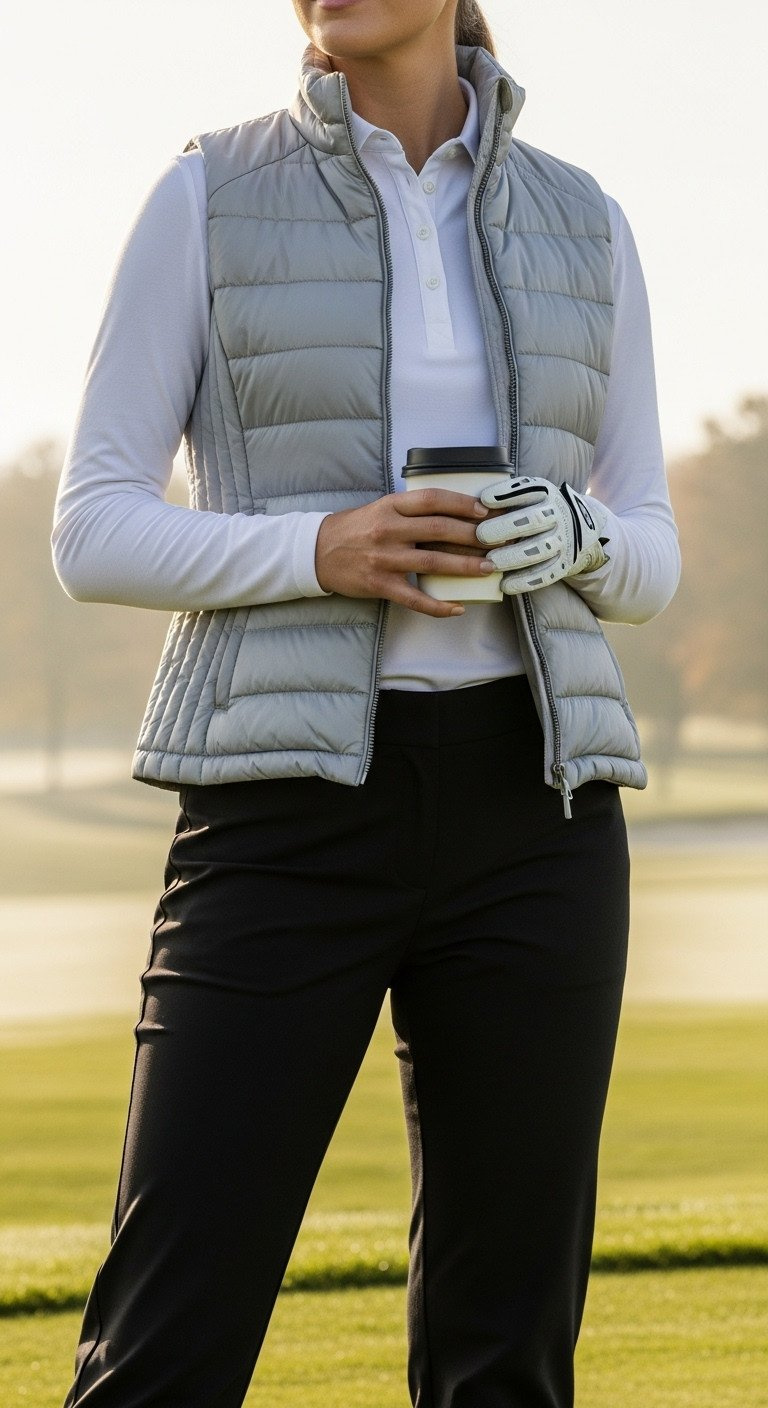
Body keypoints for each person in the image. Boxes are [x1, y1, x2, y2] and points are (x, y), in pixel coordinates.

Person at [51, 1, 681, 1404]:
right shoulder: (207, 190)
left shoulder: (588, 220)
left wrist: (567, 535)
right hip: (279, 814)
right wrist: (315, 548)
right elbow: (91, 528)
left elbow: (648, 551)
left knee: (503, 1359)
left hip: (540, 815)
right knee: (165, 1344)